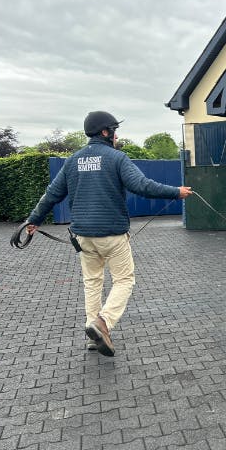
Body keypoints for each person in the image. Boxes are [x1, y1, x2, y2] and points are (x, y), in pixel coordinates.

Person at [24, 111, 193, 357]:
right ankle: (103, 323)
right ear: (105, 132)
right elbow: (142, 186)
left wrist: (34, 219)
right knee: (125, 280)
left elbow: (52, 194)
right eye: (114, 129)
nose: (116, 134)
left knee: (92, 282)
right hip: (112, 234)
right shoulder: (117, 158)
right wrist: (175, 192)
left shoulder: (73, 161)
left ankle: (94, 336)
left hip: (83, 237)